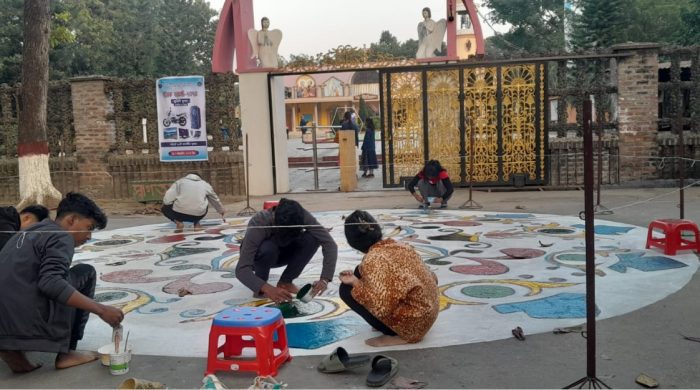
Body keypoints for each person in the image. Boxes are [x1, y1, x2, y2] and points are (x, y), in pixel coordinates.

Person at [0, 192, 124, 373]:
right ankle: (66, 353)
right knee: (84, 273)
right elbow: (51, 283)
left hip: (4, 318)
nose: (89, 236)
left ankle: (12, 349)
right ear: (72, 220)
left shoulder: (31, 230)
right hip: (24, 317)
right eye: (89, 227)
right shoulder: (61, 236)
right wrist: (102, 310)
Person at [339, 210, 439, 347]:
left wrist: (355, 283)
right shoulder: (400, 245)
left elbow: (382, 307)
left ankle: (398, 334)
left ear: (352, 242)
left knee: (346, 289)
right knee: (358, 271)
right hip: (429, 313)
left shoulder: (373, 259)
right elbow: (432, 277)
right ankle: (387, 324)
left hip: (414, 325)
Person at [235, 198, 337, 304]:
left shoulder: (301, 215)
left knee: (313, 238)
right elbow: (241, 269)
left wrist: (324, 279)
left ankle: (285, 282)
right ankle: (261, 288)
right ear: (275, 220)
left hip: (284, 253)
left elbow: (329, 244)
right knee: (269, 248)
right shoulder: (259, 222)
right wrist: (268, 288)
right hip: (264, 256)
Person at [161, 173, 226, 232]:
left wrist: (171, 205)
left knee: (164, 208)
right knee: (202, 204)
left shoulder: (179, 182)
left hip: (179, 214)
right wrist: (221, 210)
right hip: (197, 215)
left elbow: (167, 199)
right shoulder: (205, 184)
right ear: (199, 178)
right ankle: (197, 224)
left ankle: (178, 222)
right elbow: (214, 199)